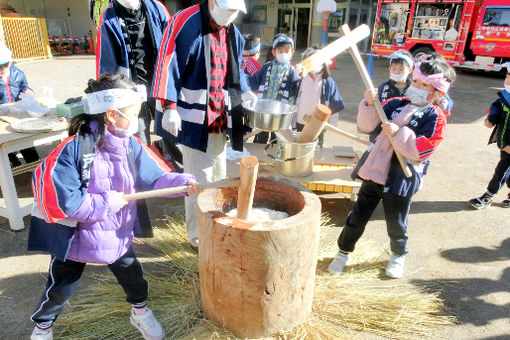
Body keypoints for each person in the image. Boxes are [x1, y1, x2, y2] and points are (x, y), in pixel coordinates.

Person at [27, 73, 198, 340]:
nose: (137, 120)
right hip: (77, 239)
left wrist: (181, 181)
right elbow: (66, 202)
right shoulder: (73, 150)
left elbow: (156, 177)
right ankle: (43, 326)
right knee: (60, 288)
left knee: (134, 279)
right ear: (111, 114)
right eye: (133, 113)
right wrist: (107, 203)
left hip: (117, 233)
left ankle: (140, 313)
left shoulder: (130, 145)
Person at [328, 56, 455, 279]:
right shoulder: (396, 104)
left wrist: (399, 134)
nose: (416, 87)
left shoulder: (436, 118)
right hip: (374, 171)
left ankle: (398, 255)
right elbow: (366, 125)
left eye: (424, 85)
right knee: (358, 215)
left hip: (401, 178)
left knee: (396, 221)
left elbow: (424, 150)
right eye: (415, 82)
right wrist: (368, 104)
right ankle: (343, 252)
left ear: (437, 93)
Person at [151, 0, 256, 248]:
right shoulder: (184, 22)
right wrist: (169, 107)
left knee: (218, 172)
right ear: (212, 2)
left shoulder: (231, 29)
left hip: (219, 114)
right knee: (200, 178)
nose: (231, 16)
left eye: (235, 12)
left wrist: (246, 91)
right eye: (227, 10)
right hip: (190, 115)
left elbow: (236, 67)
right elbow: (167, 64)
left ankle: (214, 223)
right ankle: (198, 236)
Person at [96, 0, 171, 145]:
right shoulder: (109, 16)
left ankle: (178, 166)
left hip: (160, 85)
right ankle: (144, 165)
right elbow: (106, 63)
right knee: (137, 138)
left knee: (172, 135)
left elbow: (173, 45)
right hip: (131, 89)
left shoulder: (157, 8)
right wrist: (110, 95)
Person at [469, 64, 510, 209]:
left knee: (501, 170)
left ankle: (488, 196)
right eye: (507, 76)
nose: (508, 81)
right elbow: (496, 107)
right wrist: (491, 119)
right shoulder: (506, 96)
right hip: (504, 142)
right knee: (507, 170)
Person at [248, 33, 300, 144]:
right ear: (274, 52)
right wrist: (242, 79)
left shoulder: (293, 72)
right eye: (280, 51)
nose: (283, 54)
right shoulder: (266, 67)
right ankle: (258, 157)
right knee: (260, 137)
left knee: (277, 139)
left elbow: (297, 91)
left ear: (292, 53)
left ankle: (273, 158)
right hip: (264, 112)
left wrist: (302, 79)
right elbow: (254, 81)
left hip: (280, 114)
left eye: (286, 51)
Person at [295, 46, 345, 148]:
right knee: (299, 146)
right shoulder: (299, 80)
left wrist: (332, 124)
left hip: (319, 122)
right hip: (301, 120)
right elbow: (293, 100)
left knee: (317, 147)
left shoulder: (328, 82)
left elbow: (334, 103)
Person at [0, 46, 40, 167]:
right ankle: (11, 161)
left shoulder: (18, 74)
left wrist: (28, 92)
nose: (1, 69)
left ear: (11, 61)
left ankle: (35, 166)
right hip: (1, 115)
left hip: (17, 113)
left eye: (4, 65)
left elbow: (24, 88)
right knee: (5, 142)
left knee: (25, 141)